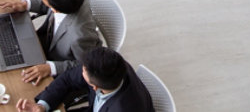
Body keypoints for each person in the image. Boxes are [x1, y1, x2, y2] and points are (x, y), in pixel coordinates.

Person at [0, 0, 102, 84]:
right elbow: (47, 5)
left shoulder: (80, 36)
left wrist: (51, 68)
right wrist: (26, 5)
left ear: (56, 8)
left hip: (59, 67)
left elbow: (86, 66)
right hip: (45, 43)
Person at [16, 47, 155, 112]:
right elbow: (68, 79)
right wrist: (42, 106)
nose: (80, 70)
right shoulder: (110, 64)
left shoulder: (124, 108)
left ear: (95, 87)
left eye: (83, 71)